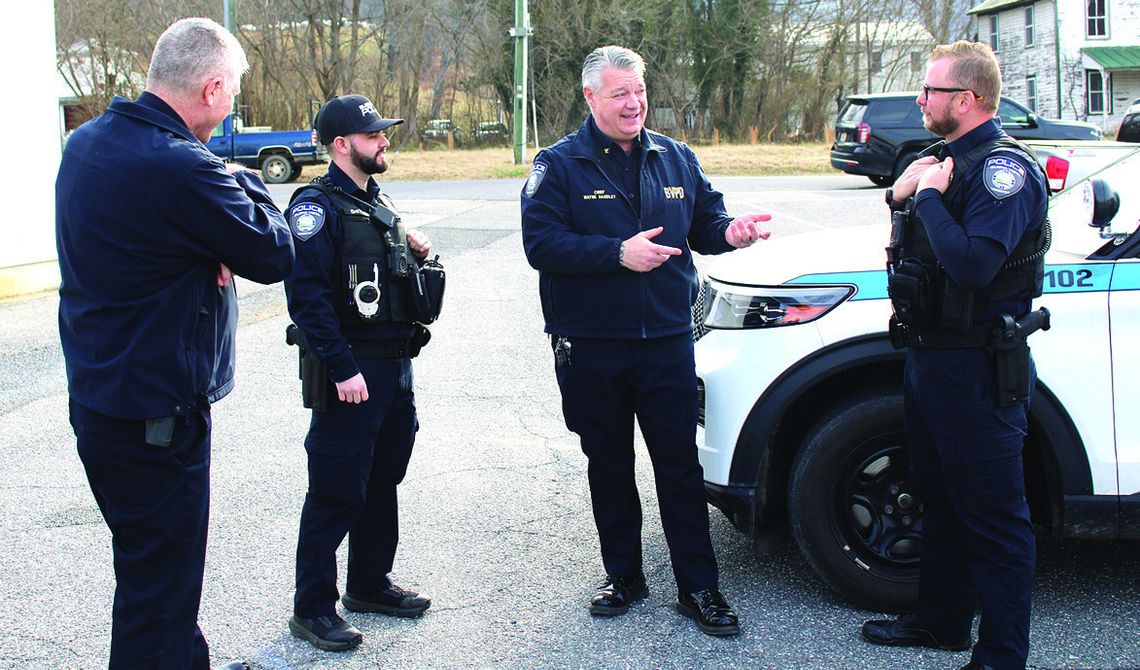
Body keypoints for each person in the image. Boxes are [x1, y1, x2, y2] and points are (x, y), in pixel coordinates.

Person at [55, 17, 295, 670]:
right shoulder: (183, 169)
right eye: (234, 91)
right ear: (213, 87)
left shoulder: (86, 143)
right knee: (159, 589)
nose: (233, 104)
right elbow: (276, 252)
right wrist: (237, 185)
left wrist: (203, 241)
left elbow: (149, 243)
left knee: (152, 569)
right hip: (156, 415)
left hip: (102, 398)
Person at [520, 45, 771, 637]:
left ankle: (699, 588)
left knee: (678, 468)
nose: (633, 104)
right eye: (618, 94)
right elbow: (541, 245)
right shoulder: (557, 166)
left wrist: (730, 233)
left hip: (664, 340)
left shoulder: (675, 157)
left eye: (639, 92)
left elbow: (707, 224)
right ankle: (625, 576)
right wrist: (616, 253)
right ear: (590, 97)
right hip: (591, 344)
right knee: (608, 464)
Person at [862, 42, 1049, 670]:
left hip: (977, 366)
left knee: (994, 518)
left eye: (930, 91)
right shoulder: (941, 159)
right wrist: (903, 194)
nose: (920, 99)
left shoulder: (1005, 171)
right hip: (931, 359)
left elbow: (972, 265)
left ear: (964, 101)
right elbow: (911, 232)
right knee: (937, 496)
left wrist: (930, 198)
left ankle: (1001, 655)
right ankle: (942, 622)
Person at [284, 94, 436, 652]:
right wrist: (343, 368)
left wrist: (412, 247)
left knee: (382, 481)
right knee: (335, 491)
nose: (384, 141)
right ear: (342, 145)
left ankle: (369, 585)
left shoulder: (377, 201)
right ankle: (312, 608)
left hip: (395, 366)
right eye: (373, 136)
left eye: (383, 133)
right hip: (351, 371)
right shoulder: (314, 209)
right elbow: (308, 300)